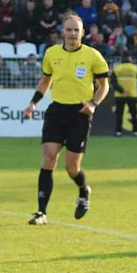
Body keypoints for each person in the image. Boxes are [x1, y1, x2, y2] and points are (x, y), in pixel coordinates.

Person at [24, 14, 110, 224]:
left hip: (79, 114)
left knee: (71, 167)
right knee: (48, 156)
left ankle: (83, 190)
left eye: (76, 30)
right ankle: (41, 212)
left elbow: (104, 86)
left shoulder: (93, 56)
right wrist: (34, 102)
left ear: (82, 33)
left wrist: (93, 104)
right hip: (56, 112)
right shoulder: (52, 53)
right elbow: (46, 81)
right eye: (69, 30)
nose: (72, 34)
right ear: (63, 32)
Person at [111, 52, 137, 136]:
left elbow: (113, 83)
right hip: (132, 94)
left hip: (120, 95)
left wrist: (122, 91)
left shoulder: (116, 68)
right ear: (129, 58)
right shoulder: (135, 68)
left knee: (119, 114)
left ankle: (118, 131)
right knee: (134, 114)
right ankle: (135, 131)